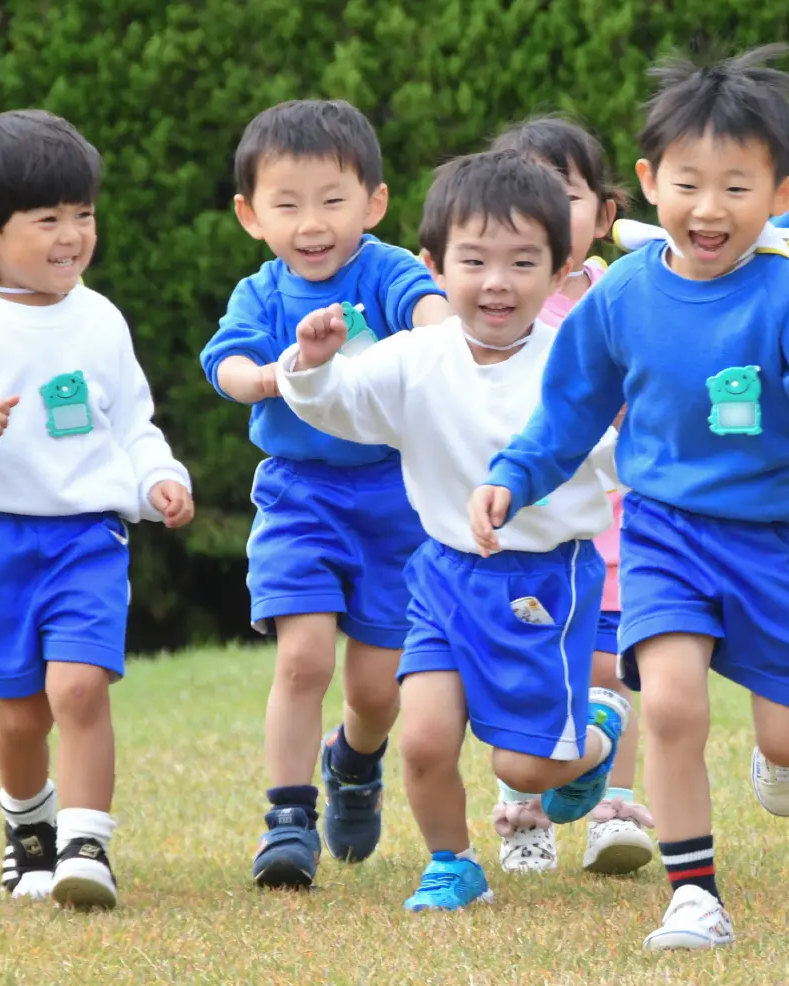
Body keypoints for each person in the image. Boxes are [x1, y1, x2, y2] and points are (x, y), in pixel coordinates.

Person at [470, 45, 789, 949]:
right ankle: (693, 893)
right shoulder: (622, 292)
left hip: (783, 540)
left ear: (782, 195)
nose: (710, 210)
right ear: (648, 181)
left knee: (787, 747)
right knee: (667, 701)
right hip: (664, 529)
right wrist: (512, 476)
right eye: (689, 184)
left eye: (737, 188)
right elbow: (571, 408)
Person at [278, 150, 627, 912]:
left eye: (521, 262)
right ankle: (453, 862)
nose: (495, 282)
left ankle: (596, 734)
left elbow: (610, 452)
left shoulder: (575, 366)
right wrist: (309, 367)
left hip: (544, 580)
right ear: (434, 264)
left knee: (528, 768)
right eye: (473, 260)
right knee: (425, 738)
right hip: (440, 575)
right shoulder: (413, 357)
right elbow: (340, 408)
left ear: (559, 265)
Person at [0, 109, 195, 911]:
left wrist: (155, 480)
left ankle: (86, 843)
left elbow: (129, 423)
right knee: (22, 718)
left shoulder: (97, 318)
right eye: (48, 218)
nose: (73, 236)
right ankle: (28, 827)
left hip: (84, 539)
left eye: (84, 214)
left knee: (81, 689)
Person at [198, 99, 451, 889]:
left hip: (395, 500)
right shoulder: (261, 293)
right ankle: (287, 819)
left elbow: (431, 312)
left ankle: (354, 760)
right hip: (299, 498)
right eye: (287, 204)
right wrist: (277, 374)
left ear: (373, 203)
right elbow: (228, 368)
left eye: (333, 201)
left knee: (377, 691)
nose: (312, 223)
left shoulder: (384, 272)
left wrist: (437, 334)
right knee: (303, 657)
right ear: (250, 214)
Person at [484, 115, 656, 877]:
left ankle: (612, 805)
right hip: (526, 526)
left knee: (617, 667)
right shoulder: (497, 298)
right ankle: (522, 805)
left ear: (606, 214)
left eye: (567, 194)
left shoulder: (626, 295)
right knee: (527, 666)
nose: (548, 211)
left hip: (620, 521)